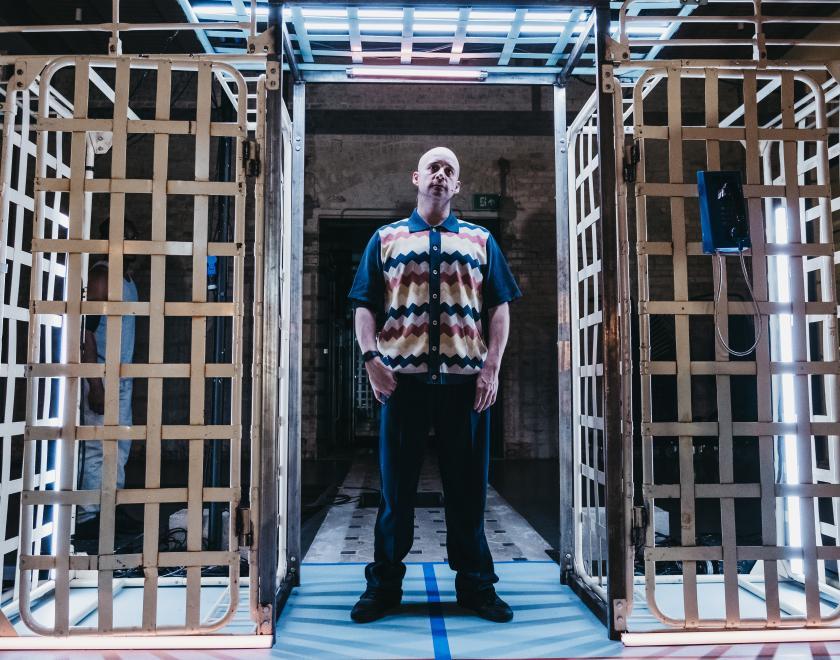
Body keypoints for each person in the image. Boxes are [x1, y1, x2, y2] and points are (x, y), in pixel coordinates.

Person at [347, 147, 522, 623]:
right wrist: (371, 360)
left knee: (467, 491)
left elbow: (499, 308)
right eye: (434, 168)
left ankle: (476, 586)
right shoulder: (385, 239)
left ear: (458, 186)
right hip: (402, 385)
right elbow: (364, 304)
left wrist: (491, 368)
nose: (441, 175)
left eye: (450, 171)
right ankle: (383, 587)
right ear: (416, 178)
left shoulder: (482, 240)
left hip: (465, 386)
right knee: (396, 492)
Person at [75, 219, 139, 543]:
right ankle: (88, 514)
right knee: (98, 447)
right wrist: (94, 384)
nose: (129, 243)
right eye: (123, 237)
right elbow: (86, 331)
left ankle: (111, 506)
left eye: (133, 237)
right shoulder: (102, 276)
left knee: (120, 446)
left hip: (123, 375)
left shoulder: (127, 279)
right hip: (101, 373)